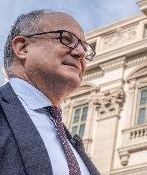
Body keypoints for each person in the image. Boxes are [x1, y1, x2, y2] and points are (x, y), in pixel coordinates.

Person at [0, 10, 100, 175]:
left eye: (84, 47)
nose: (81, 53)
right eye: (66, 39)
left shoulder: (66, 138)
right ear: (23, 48)